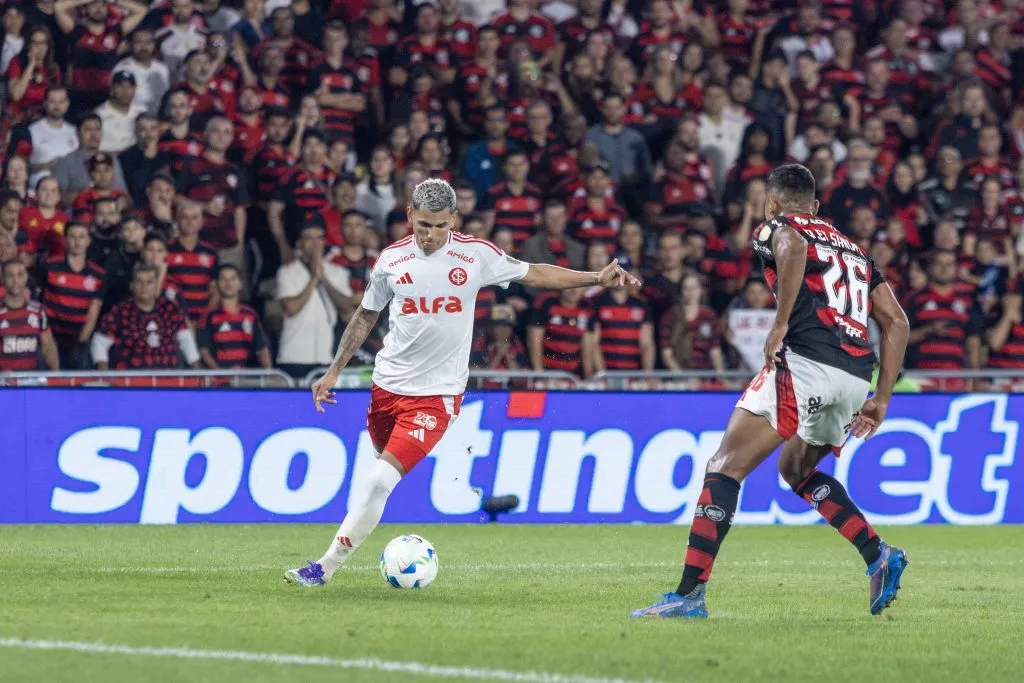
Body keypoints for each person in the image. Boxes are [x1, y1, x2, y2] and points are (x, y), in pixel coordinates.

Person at [284, 178, 638, 587]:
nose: (432, 235)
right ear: (410, 217)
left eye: (440, 225)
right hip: (387, 387)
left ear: (453, 218)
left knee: (379, 479)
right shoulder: (390, 261)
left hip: (437, 396)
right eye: (424, 226)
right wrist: (334, 370)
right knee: (378, 480)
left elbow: (535, 273)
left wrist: (594, 278)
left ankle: (323, 567)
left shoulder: (475, 255)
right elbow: (366, 316)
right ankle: (350, 543)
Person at [633, 165, 911, 619]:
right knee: (796, 469)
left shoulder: (779, 226)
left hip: (805, 362)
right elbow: (896, 321)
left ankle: (687, 596)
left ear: (773, 202)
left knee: (724, 467)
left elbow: (793, 245)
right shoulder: (856, 251)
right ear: (817, 206)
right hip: (856, 375)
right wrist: (882, 397)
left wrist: (779, 323)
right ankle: (878, 555)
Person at [0, 258, 60, 371]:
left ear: (26, 277)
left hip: (29, 382)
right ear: (3, 279)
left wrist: (55, 375)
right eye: (10, 275)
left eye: (20, 275)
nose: (15, 280)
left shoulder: (38, 310)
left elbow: (48, 346)